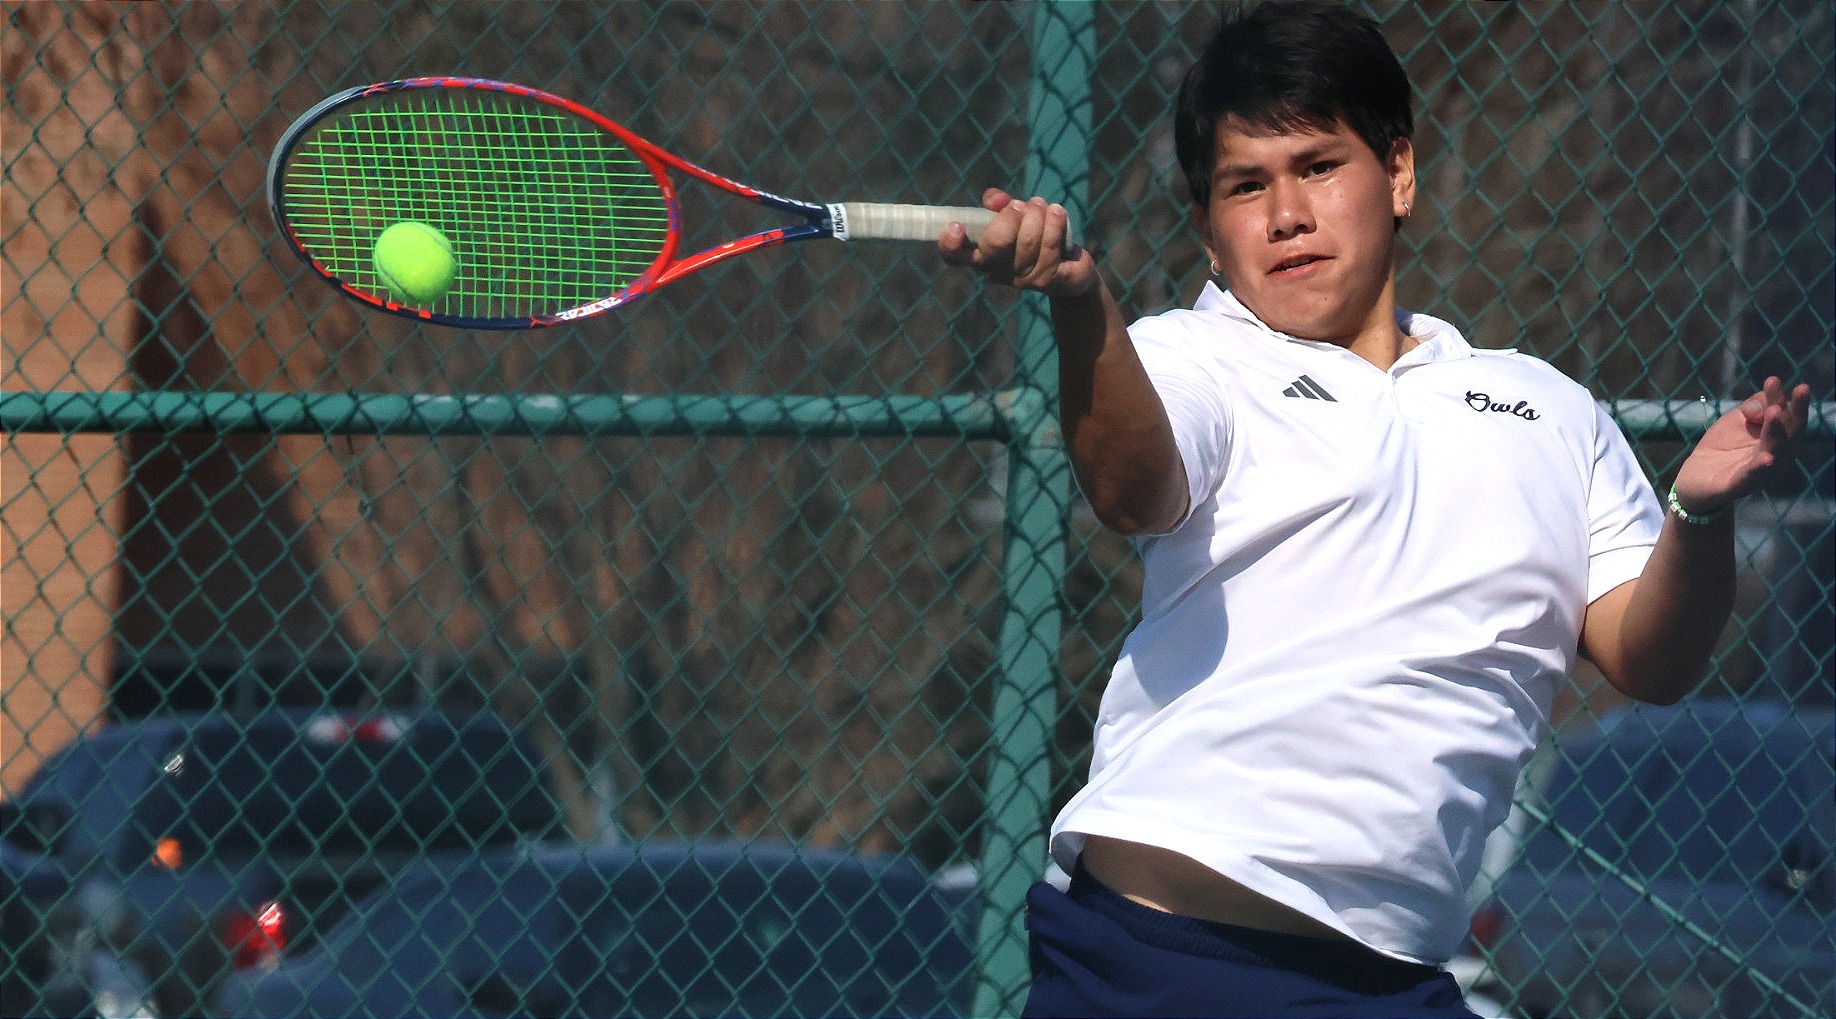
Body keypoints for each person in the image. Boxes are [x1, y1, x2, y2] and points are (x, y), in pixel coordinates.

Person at [938, 2, 1814, 1016]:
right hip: (1152, 964)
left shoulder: (1549, 409)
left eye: (1318, 166)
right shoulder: (1192, 354)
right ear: (1209, 233)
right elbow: (1132, 484)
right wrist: (1082, 303)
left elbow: (1649, 657)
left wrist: (1696, 513)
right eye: (1245, 186)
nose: (1286, 214)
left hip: (1394, 982)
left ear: (1397, 174)